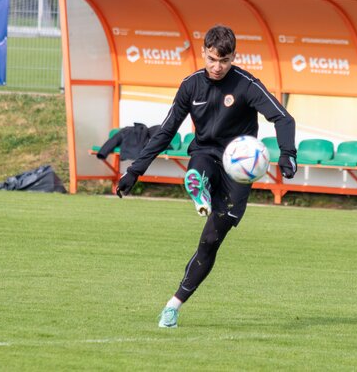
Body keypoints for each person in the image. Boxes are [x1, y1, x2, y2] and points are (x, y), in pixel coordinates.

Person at [116, 25, 297, 328]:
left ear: (233, 58)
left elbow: (282, 117)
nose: (217, 67)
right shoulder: (191, 86)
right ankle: (197, 186)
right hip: (205, 154)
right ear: (203, 53)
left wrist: (287, 153)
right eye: (212, 59)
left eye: (223, 61)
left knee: (210, 242)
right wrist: (135, 170)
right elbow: (166, 131)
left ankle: (173, 306)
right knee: (199, 166)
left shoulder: (246, 84)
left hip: (238, 171)